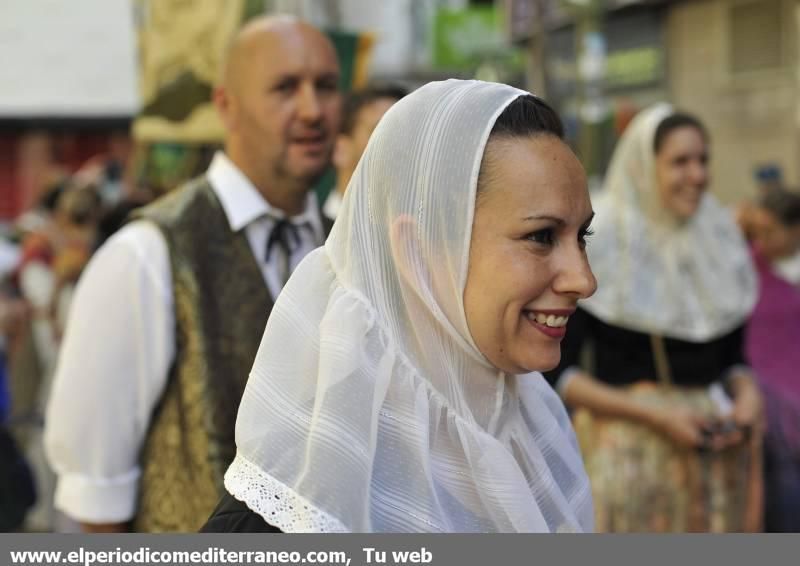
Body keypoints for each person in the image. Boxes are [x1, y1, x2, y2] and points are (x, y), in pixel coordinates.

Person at [201, 79, 597, 533]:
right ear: (418, 249)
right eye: (541, 236)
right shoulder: (303, 502)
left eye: (582, 236)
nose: (583, 280)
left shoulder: (533, 430)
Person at [44, 15, 342, 533]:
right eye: (285, 88)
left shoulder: (348, 250)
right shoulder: (147, 254)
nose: (313, 110)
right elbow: (94, 501)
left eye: (327, 87)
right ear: (226, 106)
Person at [544, 104, 763, 532]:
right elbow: (561, 373)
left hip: (712, 461)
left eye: (703, 160)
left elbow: (732, 359)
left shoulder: (720, 238)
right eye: (680, 161)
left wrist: (747, 395)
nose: (697, 175)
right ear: (645, 166)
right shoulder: (604, 240)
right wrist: (655, 415)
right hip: (626, 457)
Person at [742, 188, 800, 532]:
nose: (762, 241)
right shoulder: (746, 268)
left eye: (771, 232)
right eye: (758, 232)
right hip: (768, 409)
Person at [323, 85, 407, 219]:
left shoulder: (428, 235)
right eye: (382, 130)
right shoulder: (308, 236)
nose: (401, 144)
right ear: (340, 150)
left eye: (409, 134)